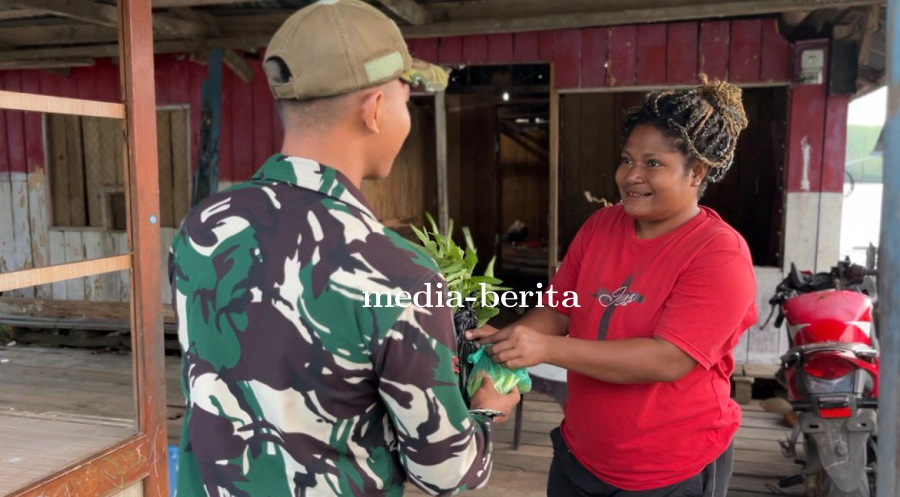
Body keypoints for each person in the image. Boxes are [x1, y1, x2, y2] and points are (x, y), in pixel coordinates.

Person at [168, 1, 519, 495]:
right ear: (375, 110)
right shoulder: (398, 273)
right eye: (406, 98)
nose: (406, 114)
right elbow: (445, 472)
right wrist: (486, 408)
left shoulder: (204, 225)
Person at [468, 79, 758, 496]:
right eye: (626, 160)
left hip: (669, 468)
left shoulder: (719, 254)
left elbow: (668, 359)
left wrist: (546, 349)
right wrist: (510, 346)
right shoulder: (602, 225)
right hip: (582, 452)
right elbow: (560, 307)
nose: (631, 176)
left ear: (696, 171)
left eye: (653, 163)